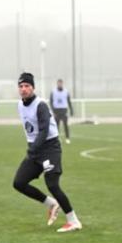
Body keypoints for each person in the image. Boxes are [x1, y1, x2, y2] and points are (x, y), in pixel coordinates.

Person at [13, 72, 82, 233]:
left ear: (33, 88)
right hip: (35, 150)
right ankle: (51, 204)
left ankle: (73, 221)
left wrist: (33, 148)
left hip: (50, 148)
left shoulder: (40, 105)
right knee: (19, 183)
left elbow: (44, 131)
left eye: (27, 86)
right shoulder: (19, 105)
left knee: (52, 184)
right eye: (21, 86)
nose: (23, 89)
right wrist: (33, 149)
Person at [49, 79, 74, 144]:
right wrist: (52, 110)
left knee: (65, 125)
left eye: (61, 83)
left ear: (62, 84)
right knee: (56, 125)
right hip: (56, 110)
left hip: (64, 110)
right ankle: (57, 138)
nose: (60, 84)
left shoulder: (66, 91)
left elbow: (69, 101)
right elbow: (51, 101)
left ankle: (67, 138)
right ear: (57, 84)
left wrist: (71, 110)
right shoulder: (53, 91)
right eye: (59, 83)